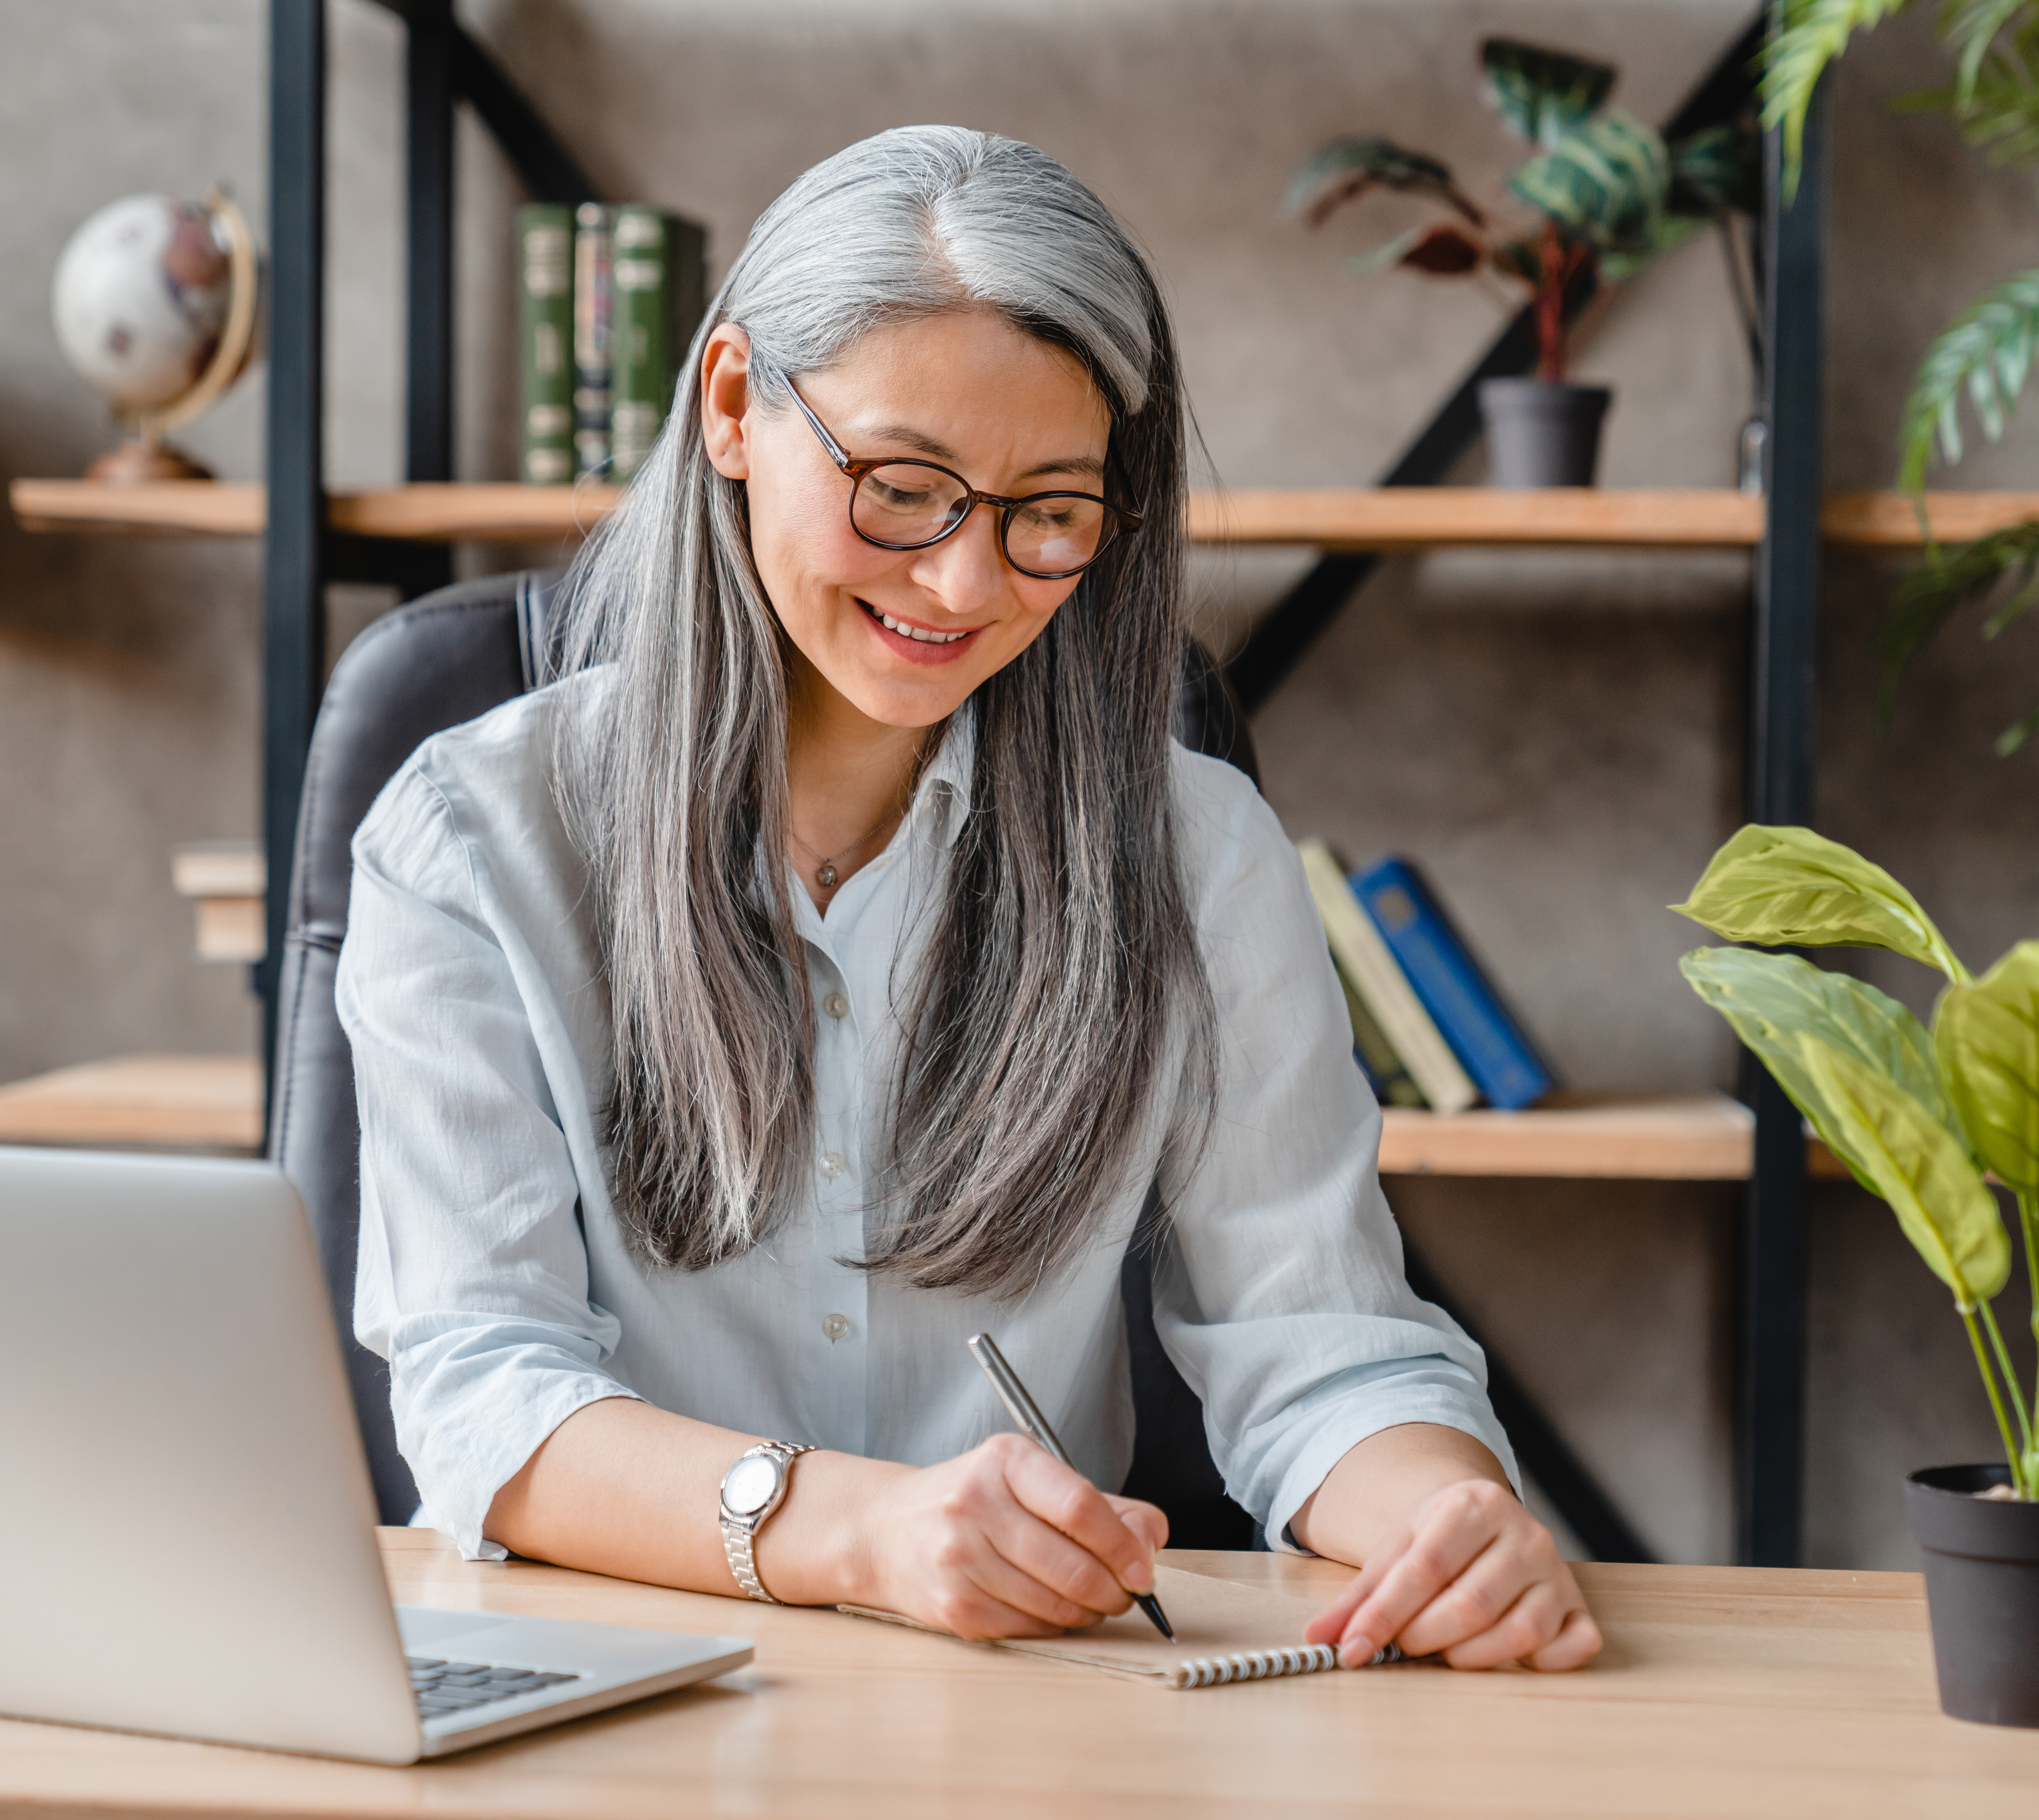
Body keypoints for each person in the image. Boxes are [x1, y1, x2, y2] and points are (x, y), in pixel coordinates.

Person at [340, 125, 1599, 1672]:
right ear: (734, 408)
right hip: (608, 1690)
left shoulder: (1196, 852)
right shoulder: (472, 840)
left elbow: (1316, 1341)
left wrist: (1447, 1518)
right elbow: (485, 1394)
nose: (962, 583)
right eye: (901, 486)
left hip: (1029, 1707)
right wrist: (859, 1531)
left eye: (1047, 512)